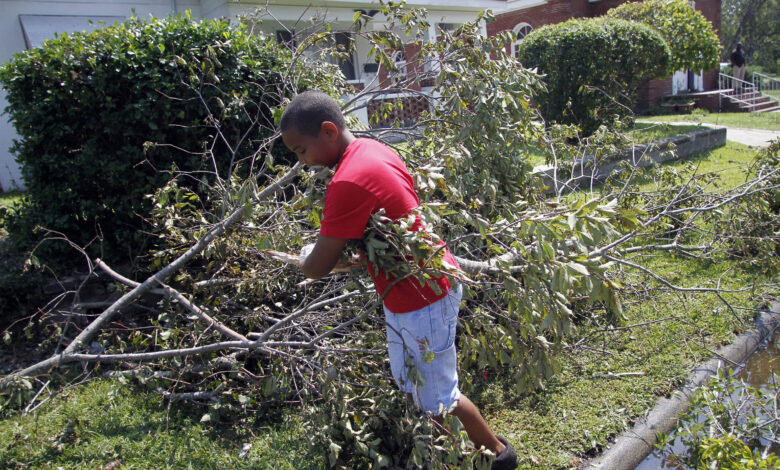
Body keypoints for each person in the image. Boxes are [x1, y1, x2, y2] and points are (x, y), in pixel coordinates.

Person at [280, 90, 518, 470]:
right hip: (414, 292)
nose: (302, 161)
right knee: (412, 384)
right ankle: (446, 452)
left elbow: (317, 267)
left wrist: (302, 261)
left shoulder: (347, 180)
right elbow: (389, 219)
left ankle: (499, 457)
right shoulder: (374, 149)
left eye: (301, 151)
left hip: (423, 299)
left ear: (328, 131)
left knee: (440, 396)